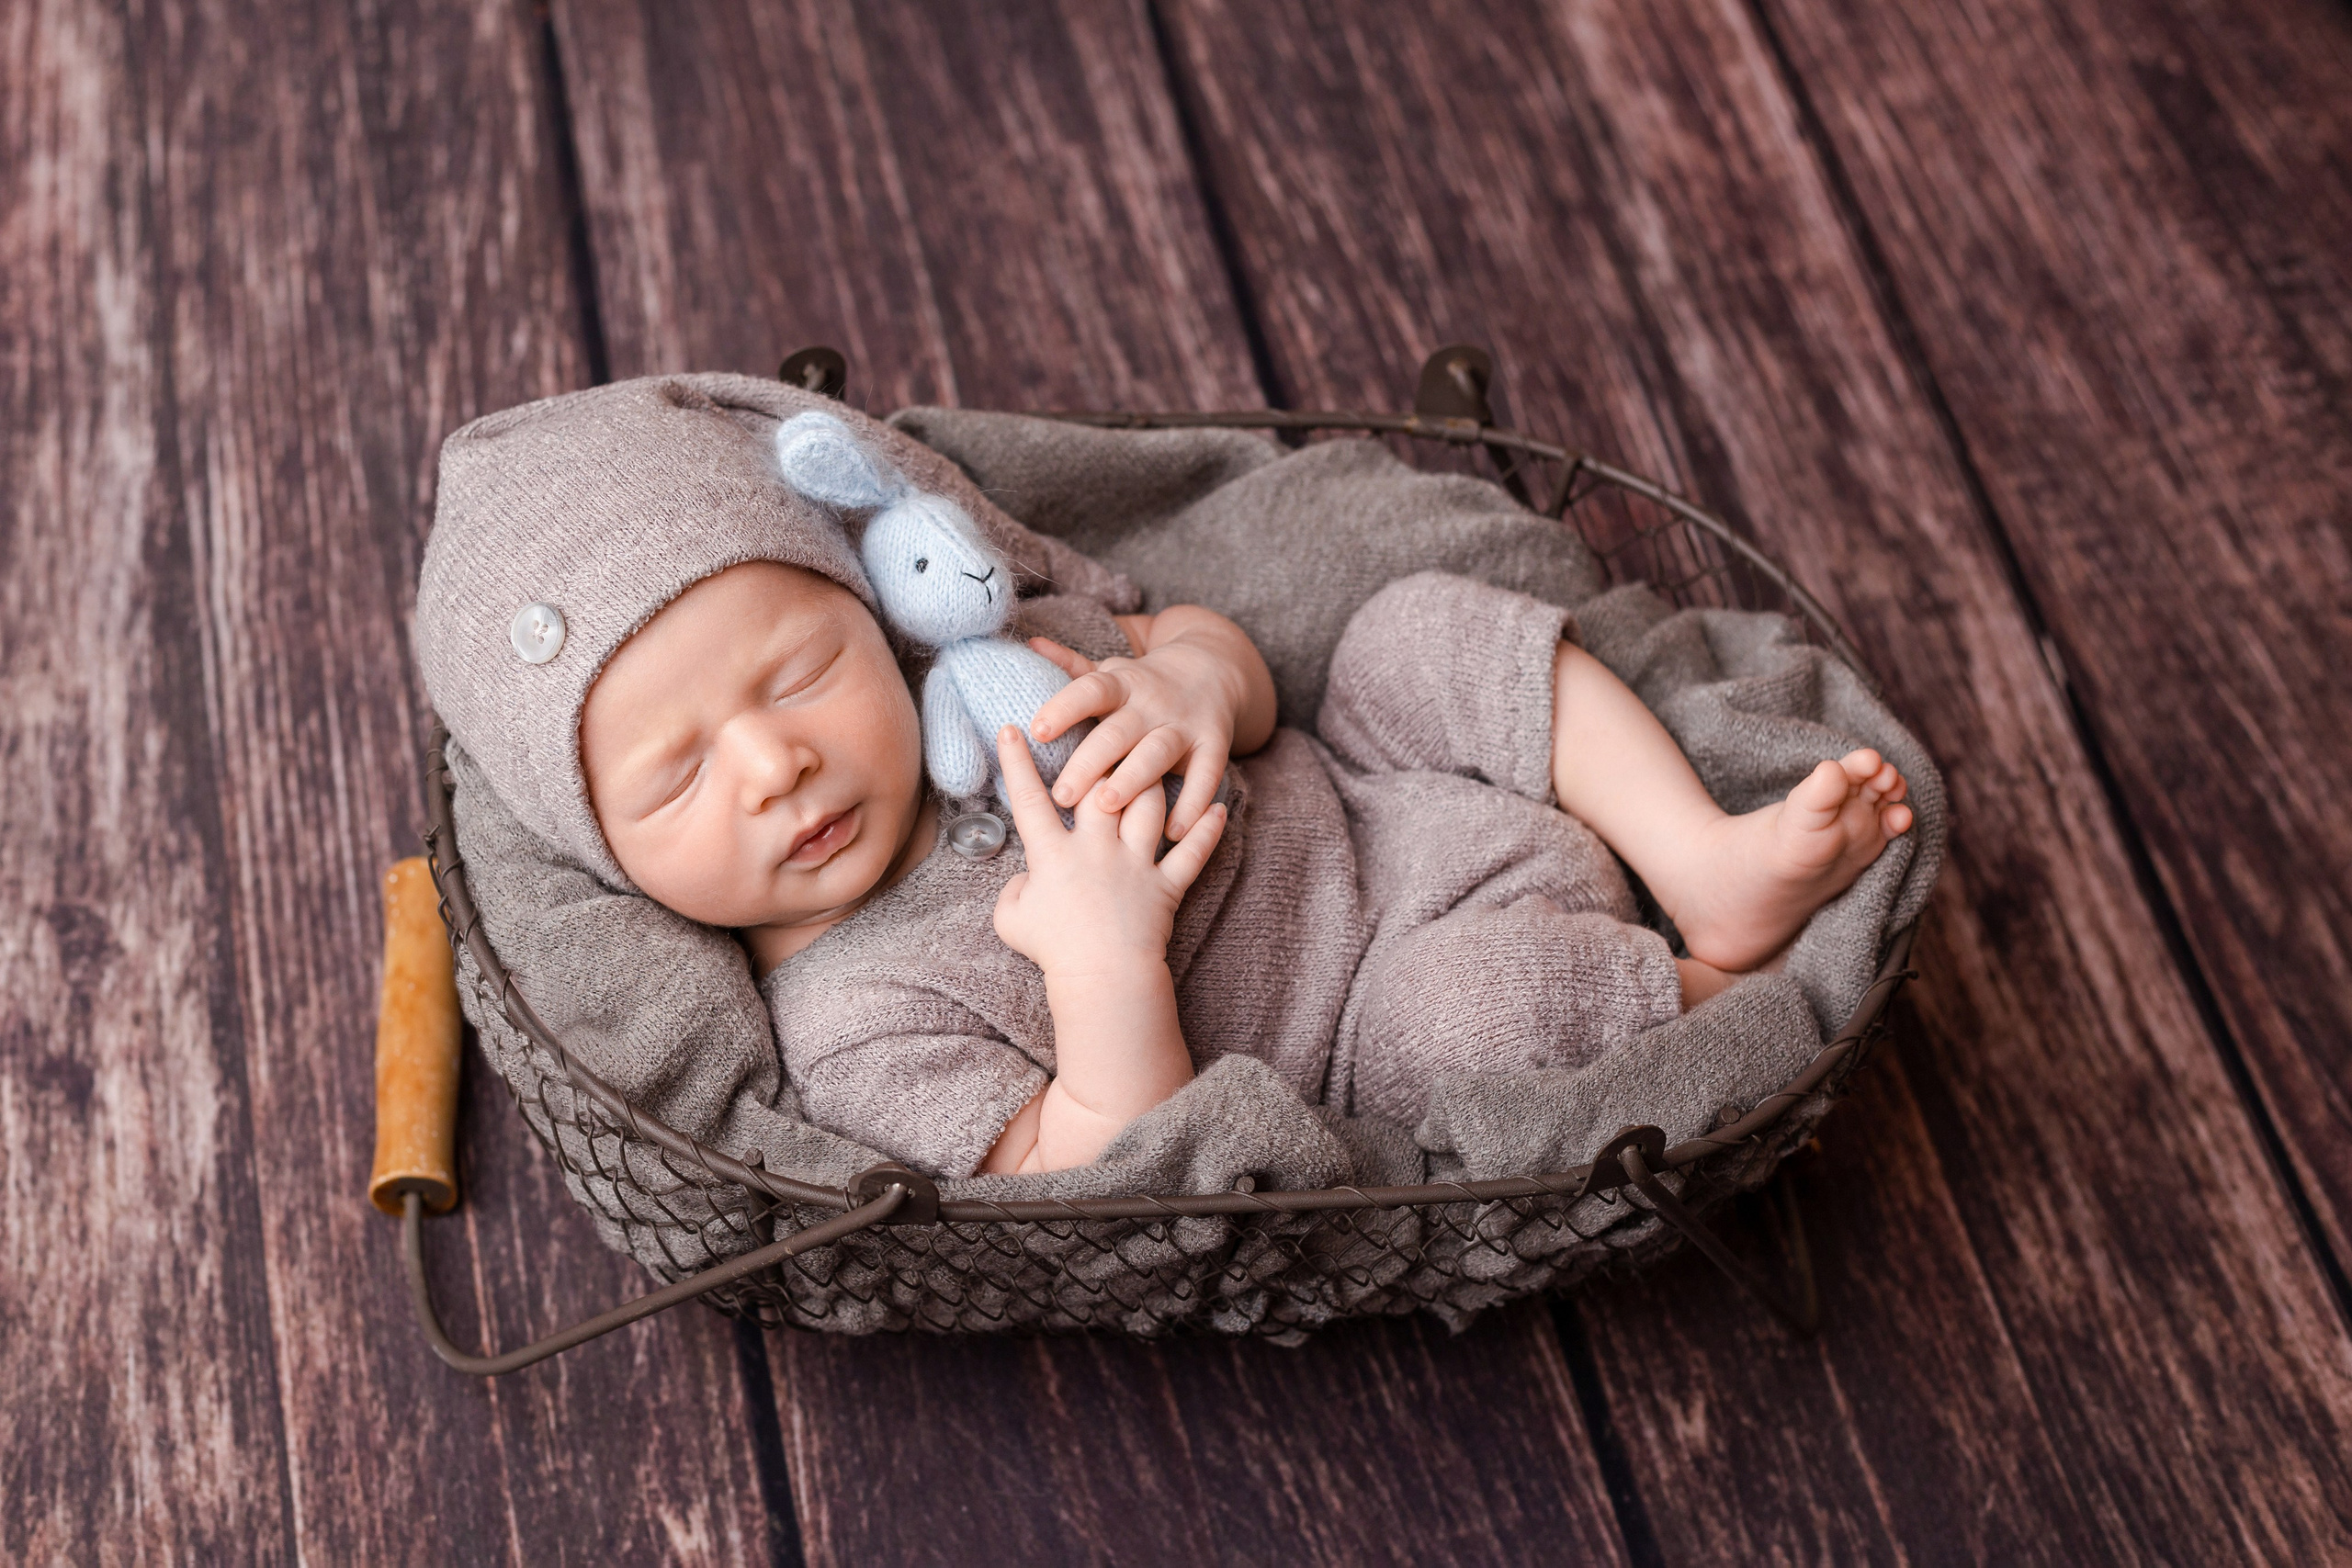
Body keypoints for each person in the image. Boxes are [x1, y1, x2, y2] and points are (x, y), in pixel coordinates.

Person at [420, 375, 1910, 1180]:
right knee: (1451, 1021)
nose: (776, 762)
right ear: (602, 852)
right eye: (676, 778)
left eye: (802, 674)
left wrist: (1194, 680)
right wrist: (1105, 966)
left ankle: (1696, 851)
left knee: (1411, 629)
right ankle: (1721, 1005)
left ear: (872, 612)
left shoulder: (994, 668)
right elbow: (1102, 1170)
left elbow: (1219, 656)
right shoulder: (853, 1026)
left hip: (1392, 798)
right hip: (1375, 1004)